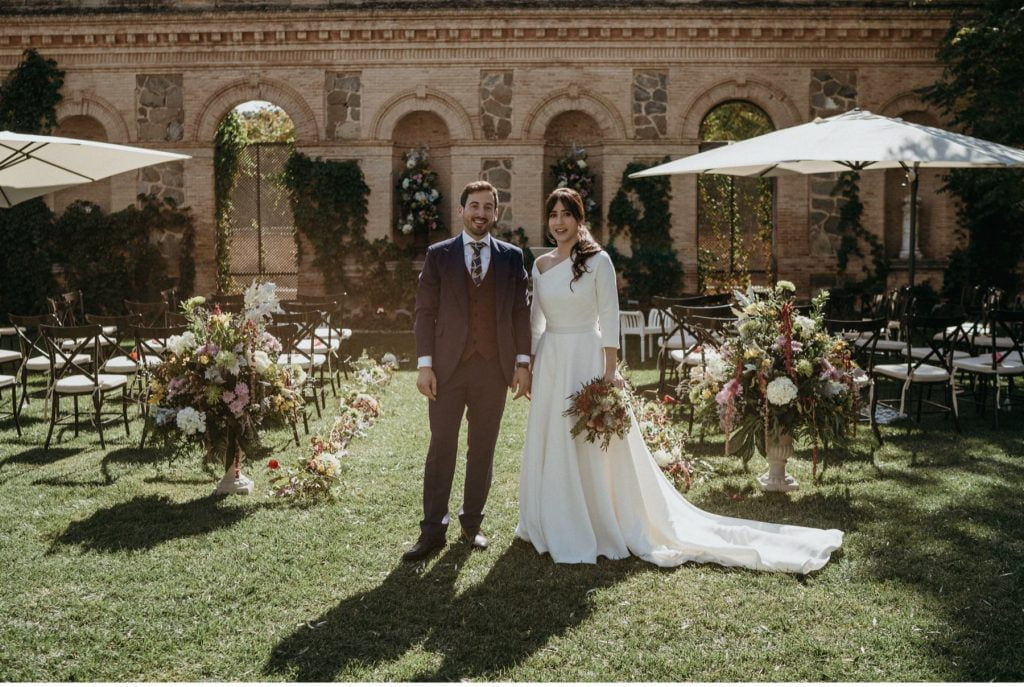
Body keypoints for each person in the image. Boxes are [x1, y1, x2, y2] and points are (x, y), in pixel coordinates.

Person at [515, 188, 843, 573]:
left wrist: (609, 373)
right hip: (553, 362)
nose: (558, 222)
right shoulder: (540, 266)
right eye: (552, 214)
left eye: (566, 214)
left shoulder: (598, 261)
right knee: (553, 438)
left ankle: (597, 519)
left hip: (586, 359)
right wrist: (530, 364)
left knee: (591, 445)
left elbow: (610, 318)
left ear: (579, 218)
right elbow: (535, 321)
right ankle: (552, 518)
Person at [406, 180, 532, 562]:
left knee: (483, 450)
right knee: (441, 447)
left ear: (496, 213)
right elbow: (424, 312)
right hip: (446, 370)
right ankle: (432, 531)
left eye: (488, 208)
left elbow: (520, 314)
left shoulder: (512, 257)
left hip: (493, 370)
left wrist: (522, 363)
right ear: (461, 211)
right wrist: (425, 365)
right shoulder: (438, 255)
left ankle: (472, 524)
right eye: (474, 206)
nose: (481, 214)